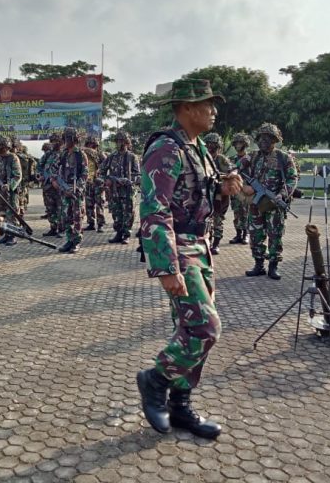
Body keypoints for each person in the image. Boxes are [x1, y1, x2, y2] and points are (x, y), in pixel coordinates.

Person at [137, 78, 242, 439]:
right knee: (204, 328)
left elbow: (202, 196)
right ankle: (154, 379)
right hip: (179, 249)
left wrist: (224, 188)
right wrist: (166, 266)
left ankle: (180, 406)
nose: (213, 111)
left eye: (213, 104)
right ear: (184, 108)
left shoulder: (196, 148)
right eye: (205, 104)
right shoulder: (166, 148)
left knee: (188, 328)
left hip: (201, 245)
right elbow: (154, 209)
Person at [240, 122, 298, 280]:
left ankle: (273, 266)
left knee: (275, 235)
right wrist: (245, 186)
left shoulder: (283, 157)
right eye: (261, 139)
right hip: (256, 204)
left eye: (268, 139)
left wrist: (283, 194)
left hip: (274, 204)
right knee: (255, 234)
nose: (264, 142)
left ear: (275, 140)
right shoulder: (252, 156)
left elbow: (292, 178)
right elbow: (236, 169)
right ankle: (259, 265)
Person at [100, 131, 140, 244]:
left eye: (121, 141)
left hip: (128, 191)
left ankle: (126, 234)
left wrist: (128, 181)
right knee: (116, 213)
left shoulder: (132, 157)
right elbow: (101, 171)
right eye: (117, 141)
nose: (119, 143)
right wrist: (107, 180)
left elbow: (137, 175)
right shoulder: (111, 157)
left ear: (127, 142)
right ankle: (118, 233)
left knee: (128, 213)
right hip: (114, 191)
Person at [54, 127, 87, 253]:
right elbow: (54, 168)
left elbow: (85, 174)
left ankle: (76, 242)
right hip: (64, 190)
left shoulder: (80, 154)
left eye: (69, 138)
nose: (66, 141)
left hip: (75, 191)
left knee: (77, 216)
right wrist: (54, 181)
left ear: (75, 139)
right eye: (65, 138)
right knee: (66, 216)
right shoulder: (63, 154)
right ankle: (69, 240)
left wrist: (76, 188)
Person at [202, 133, 231, 254]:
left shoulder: (221, 159)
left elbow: (230, 173)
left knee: (218, 219)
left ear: (218, 146)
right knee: (205, 219)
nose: (210, 147)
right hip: (205, 194)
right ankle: (207, 242)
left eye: (213, 144)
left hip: (219, 195)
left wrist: (217, 175)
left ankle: (216, 244)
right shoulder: (202, 158)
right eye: (208, 144)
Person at [0, 135, 22, 246]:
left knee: (12, 213)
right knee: (2, 213)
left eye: (0, 146)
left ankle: (13, 235)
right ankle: (6, 234)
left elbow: (18, 176)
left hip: (11, 192)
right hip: (0, 191)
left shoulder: (13, 158)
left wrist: (9, 185)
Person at [228, 133, 251, 245]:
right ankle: (238, 234)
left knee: (246, 212)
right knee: (236, 213)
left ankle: (246, 234)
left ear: (245, 144)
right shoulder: (231, 159)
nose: (238, 145)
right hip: (235, 190)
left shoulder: (250, 158)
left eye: (240, 142)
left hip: (246, 190)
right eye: (236, 143)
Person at [40, 131, 64, 237]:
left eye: (56, 141)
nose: (54, 143)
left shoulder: (65, 154)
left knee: (61, 208)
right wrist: (40, 175)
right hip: (48, 186)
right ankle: (53, 228)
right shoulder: (48, 155)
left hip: (59, 186)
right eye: (52, 141)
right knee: (50, 208)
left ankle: (61, 229)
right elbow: (39, 166)